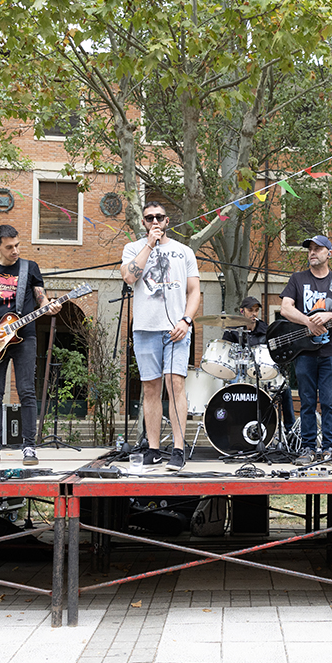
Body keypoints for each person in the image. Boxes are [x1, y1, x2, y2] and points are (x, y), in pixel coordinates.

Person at [0, 224, 60, 468]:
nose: (15, 251)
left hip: (24, 336)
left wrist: (49, 306)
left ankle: (29, 445)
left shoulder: (29, 268)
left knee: (27, 391)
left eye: (17, 245)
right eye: (9, 247)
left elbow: (41, 298)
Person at [121, 201, 200, 471]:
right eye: (149, 218)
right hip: (145, 328)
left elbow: (194, 291)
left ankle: (178, 448)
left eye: (159, 217)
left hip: (176, 329)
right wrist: (149, 245)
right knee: (150, 388)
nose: (155, 221)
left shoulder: (184, 251)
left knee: (175, 384)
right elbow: (129, 277)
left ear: (168, 221)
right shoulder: (133, 248)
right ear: (143, 223)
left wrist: (186, 320)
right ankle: (153, 449)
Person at [279, 235, 332, 465]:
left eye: (317, 249)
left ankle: (329, 448)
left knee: (329, 401)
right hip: (304, 352)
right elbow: (285, 308)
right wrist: (307, 321)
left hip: (330, 351)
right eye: (310, 249)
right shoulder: (298, 279)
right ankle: (309, 447)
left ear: (329, 254)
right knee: (307, 400)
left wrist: (330, 315)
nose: (312, 252)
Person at [223, 296, 296, 433]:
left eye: (256, 310)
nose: (254, 313)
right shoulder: (232, 330)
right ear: (242, 311)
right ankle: (231, 429)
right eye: (250, 310)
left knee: (284, 388)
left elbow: (274, 353)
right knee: (233, 384)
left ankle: (290, 431)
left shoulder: (266, 330)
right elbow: (226, 354)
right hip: (239, 372)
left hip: (261, 372)